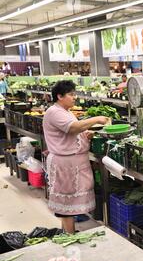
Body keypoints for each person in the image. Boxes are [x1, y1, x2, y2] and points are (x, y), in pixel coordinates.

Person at [43, 80, 109, 233]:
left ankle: (66, 232)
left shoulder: (66, 111)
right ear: (59, 96)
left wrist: (86, 134)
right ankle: (70, 235)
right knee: (65, 200)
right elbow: (72, 128)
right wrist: (96, 119)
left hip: (74, 163)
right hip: (64, 164)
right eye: (71, 95)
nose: (75, 98)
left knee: (71, 199)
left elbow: (73, 133)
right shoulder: (54, 112)